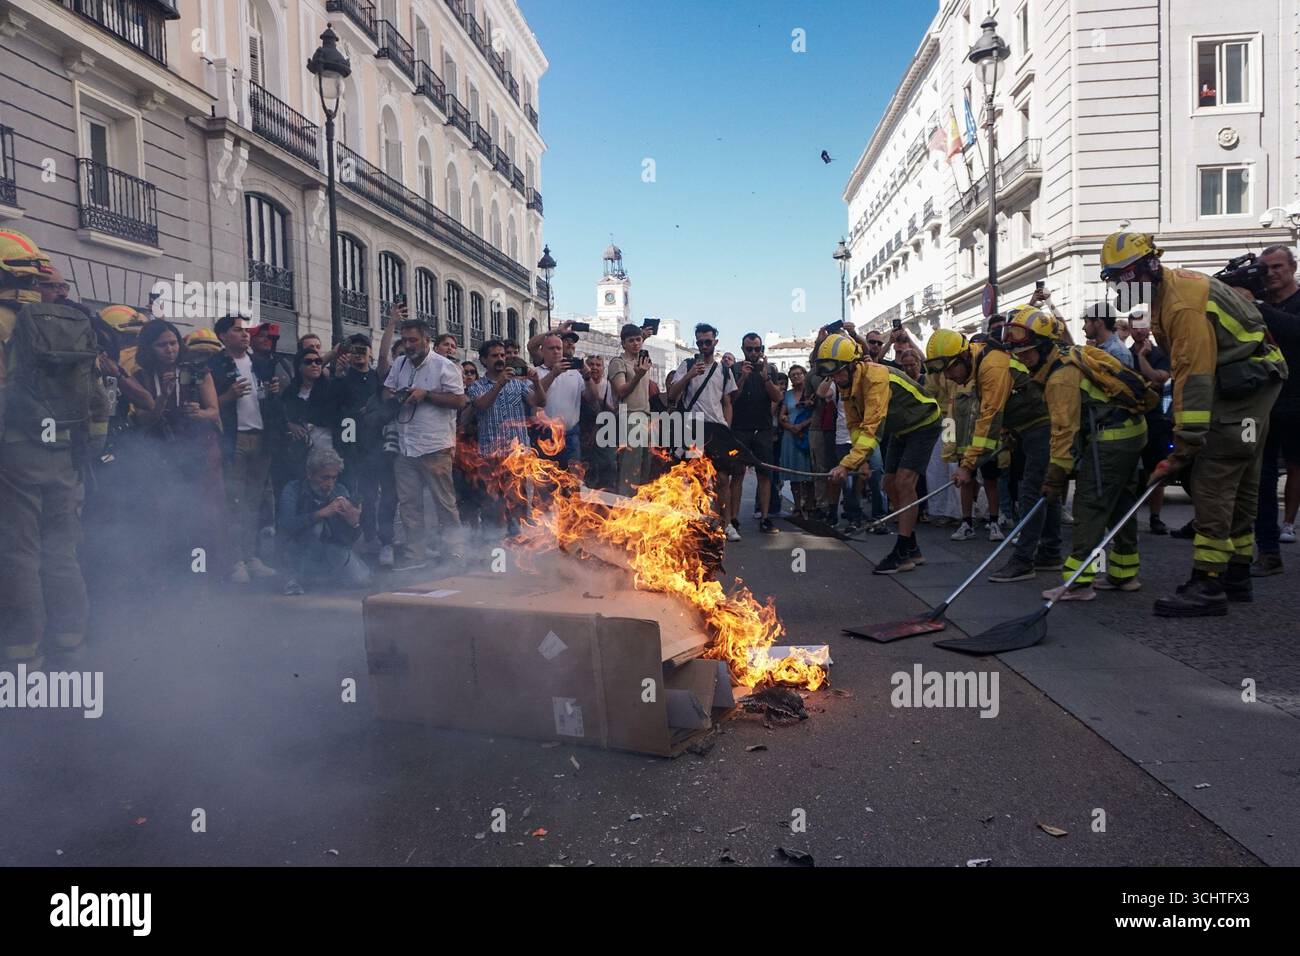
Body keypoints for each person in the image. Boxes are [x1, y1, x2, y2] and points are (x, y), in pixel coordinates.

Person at [1100, 232, 1286, 615]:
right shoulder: (1167, 292)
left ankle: (1208, 584)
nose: (1119, 287)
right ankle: (1236, 575)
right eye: (1113, 280)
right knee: (1244, 473)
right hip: (1253, 387)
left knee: (1214, 477)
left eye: (1123, 278)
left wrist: (1185, 444)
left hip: (1242, 390)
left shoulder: (1182, 304)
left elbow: (1193, 375)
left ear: (1146, 270)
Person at [0, 230, 105, 667]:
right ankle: (70, 639)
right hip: (66, 455)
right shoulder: (68, 322)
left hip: (15, 453)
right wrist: (88, 448)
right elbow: (97, 398)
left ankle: (22, 652)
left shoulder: (5, 324)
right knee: (60, 550)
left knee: (19, 551)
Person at [1002, 307, 1149, 601]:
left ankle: (1079, 583)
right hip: (1131, 432)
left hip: (1109, 440)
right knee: (1120, 504)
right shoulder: (1071, 355)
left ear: (1043, 347)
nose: (1022, 359)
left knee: (1089, 507)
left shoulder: (1060, 378)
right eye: (1018, 353)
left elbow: (1063, 431)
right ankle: (1123, 574)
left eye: (1027, 353)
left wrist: (1055, 477)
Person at [816, 331, 942, 573]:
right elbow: (855, 425)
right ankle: (912, 546)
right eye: (831, 374)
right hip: (901, 428)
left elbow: (872, 427)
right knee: (888, 484)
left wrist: (846, 465)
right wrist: (859, 461)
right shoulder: (846, 382)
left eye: (839, 371)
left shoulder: (875, 378)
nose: (836, 378)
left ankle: (902, 551)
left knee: (905, 482)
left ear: (854, 364)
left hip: (925, 423)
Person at [129, 319, 227, 581]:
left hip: (199, 448)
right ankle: (167, 571)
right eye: (162, 345)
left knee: (204, 512)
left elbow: (213, 411)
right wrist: (162, 398)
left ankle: (205, 572)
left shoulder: (195, 371)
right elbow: (143, 419)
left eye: (173, 343)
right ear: (149, 348)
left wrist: (200, 412)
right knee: (165, 510)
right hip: (161, 450)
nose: (169, 350)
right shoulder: (142, 377)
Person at [383, 319, 467, 571]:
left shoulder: (444, 366)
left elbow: (460, 400)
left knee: (444, 504)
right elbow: (386, 391)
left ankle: (455, 553)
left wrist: (426, 395)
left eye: (413, 340)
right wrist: (397, 396)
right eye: (405, 340)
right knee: (409, 504)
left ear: (426, 340)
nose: (408, 345)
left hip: (434, 446)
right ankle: (415, 555)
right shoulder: (399, 364)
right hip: (405, 445)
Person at [210, 314, 278, 584]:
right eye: (237, 330)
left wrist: (273, 392)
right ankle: (235, 559)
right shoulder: (214, 365)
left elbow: (271, 400)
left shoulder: (261, 363)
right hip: (233, 438)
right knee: (234, 501)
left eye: (245, 330)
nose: (244, 334)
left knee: (254, 501)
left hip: (261, 437)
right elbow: (208, 402)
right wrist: (228, 396)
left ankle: (252, 557)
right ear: (222, 336)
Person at [1252, 244, 1300, 575]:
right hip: (1265, 403)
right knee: (1262, 478)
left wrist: (1256, 306)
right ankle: (1268, 551)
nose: (1271, 273)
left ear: (1292, 267)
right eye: (1265, 268)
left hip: (1297, 402)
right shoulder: (1261, 305)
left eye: (1277, 266)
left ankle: (1285, 528)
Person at [668, 323, 739, 538]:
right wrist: (689, 375)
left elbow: (727, 402)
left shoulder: (724, 370)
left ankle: (726, 523)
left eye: (708, 342)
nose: (703, 345)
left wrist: (727, 428)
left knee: (723, 479)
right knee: (691, 478)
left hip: (717, 429)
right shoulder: (687, 364)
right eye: (699, 342)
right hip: (693, 427)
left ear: (715, 342)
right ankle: (693, 523)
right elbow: (672, 395)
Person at [468, 338, 546, 534]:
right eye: (495, 356)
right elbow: (481, 405)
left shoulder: (518, 385)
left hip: (517, 454)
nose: (501, 359)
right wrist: (499, 384)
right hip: (490, 455)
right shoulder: (476, 386)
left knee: (517, 501)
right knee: (492, 503)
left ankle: (516, 542)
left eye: (503, 355)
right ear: (484, 360)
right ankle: (491, 544)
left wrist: (536, 383)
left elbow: (539, 402)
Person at [277, 446, 370, 595]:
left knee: (360, 580)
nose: (330, 483)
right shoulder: (293, 489)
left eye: (334, 477)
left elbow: (348, 540)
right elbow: (286, 525)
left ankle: (325, 575)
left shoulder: (340, 491)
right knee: (317, 527)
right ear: (310, 474)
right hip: (298, 550)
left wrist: (354, 522)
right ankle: (297, 577)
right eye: (324, 477)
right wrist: (320, 513)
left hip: (331, 549)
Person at [729, 333, 784, 535]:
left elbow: (777, 397)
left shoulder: (770, 369)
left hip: (763, 428)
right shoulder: (734, 369)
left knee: (765, 474)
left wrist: (766, 379)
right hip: (739, 428)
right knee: (737, 474)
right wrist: (742, 377)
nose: (753, 353)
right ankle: (733, 519)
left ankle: (765, 518)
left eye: (757, 349)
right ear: (743, 349)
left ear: (762, 349)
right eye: (749, 349)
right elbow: (731, 399)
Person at [1129, 310, 1173, 535]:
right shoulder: (1124, 354)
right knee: (1129, 472)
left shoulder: (1158, 353)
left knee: (1155, 469)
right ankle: (1129, 518)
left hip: (1155, 420)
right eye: (1135, 326)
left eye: (1143, 326)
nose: (1139, 330)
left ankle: (1155, 517)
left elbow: (1158, 379)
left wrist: (1143, 358)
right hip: (1131, 419)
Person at [608, 323, 654, 495]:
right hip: (628, 416)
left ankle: (640, 507)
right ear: (623, 343)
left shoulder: (642, 362)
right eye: (631, 340)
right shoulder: (618, 363)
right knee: (630, 468)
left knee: (645, 466)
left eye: (638, 340)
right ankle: (626, 506)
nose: (636, 343)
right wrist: (638, 375)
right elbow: (621, 390)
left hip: (646, 417)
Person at [534, 330, 584, 470]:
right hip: (547, 435)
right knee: (548, 478)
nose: (556, 351)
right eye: (551, 348)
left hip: (571, 434)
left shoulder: (574, 373)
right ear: (542, 351)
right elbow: (535, 397)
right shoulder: (536, 372)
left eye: (559, 348)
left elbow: (591, 398)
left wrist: (587, 376)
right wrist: (554, 373)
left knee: (573, 479)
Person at [778, 365, 814, 518]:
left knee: (808, 472)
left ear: (805, 375)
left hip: (806, 434)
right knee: (794, 474)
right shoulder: (787, 395)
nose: (796, 377)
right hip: (790, 436)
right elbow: (782, 415)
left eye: (799, 374)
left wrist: (800, 426)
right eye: (793, 375)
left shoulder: (811, 394)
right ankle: (797, 506)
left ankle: (809, 504)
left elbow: (815, 415)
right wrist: (791, 427)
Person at [580, 354, 618, 490]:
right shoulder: (580, 383)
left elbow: (614, 410)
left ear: (603, 368)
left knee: (607, 469)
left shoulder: (609, 385)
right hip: (584, 434)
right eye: (591, 364)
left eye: (598, 365)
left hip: (604, 434)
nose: (594, 368)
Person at [1082, 304, 1135, 369]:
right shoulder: (1098, 347)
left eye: (1086, 322)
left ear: (1098, 322)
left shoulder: (1118, 352)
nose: (1083, 328)